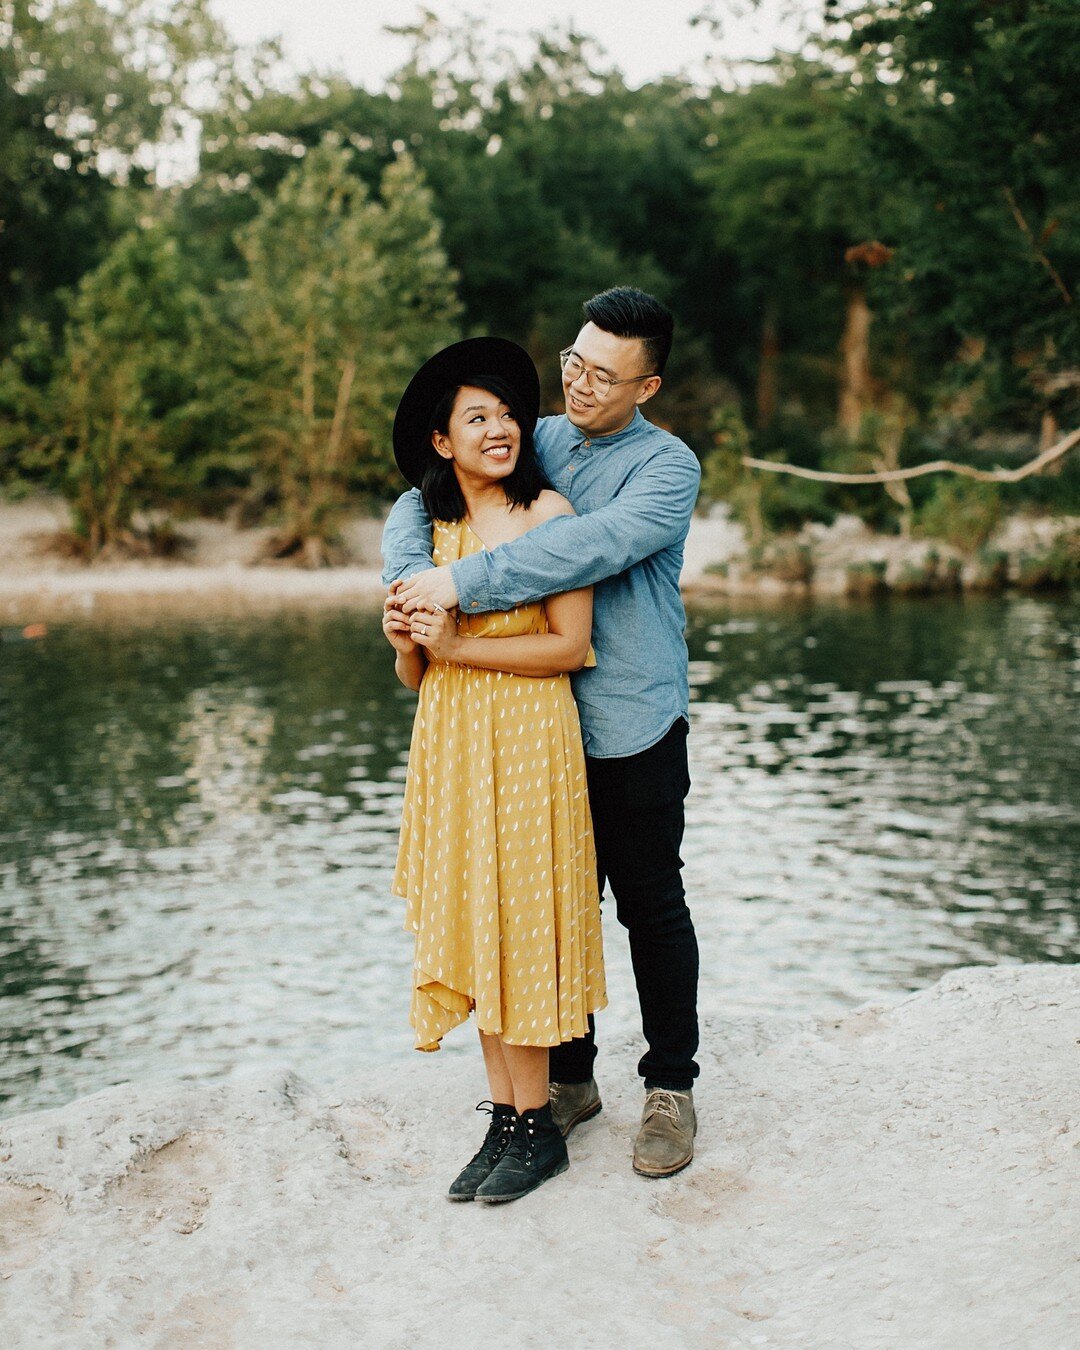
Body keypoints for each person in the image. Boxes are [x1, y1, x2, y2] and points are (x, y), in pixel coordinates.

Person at [383, 287, 701, 1178]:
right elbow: (426, 497)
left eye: (606, 375)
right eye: (574, 362)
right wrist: (412, 579)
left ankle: (671, 1087)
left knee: (651, 907)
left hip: (630, 719)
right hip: (527, 735)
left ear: (649, 386)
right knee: (548, 910)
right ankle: (567, 1080)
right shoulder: (538, 437)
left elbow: (583, 551)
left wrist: (461, 587)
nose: (581, 384)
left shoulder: (666, 470)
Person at [383, 336, 607, 1204]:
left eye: (508, 413)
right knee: (478, 919)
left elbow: (571, 645)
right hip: (451, 742)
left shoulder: (552, 517)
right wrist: (412, 643)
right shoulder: (432, 535)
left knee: (523, 920)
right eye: (478, 417)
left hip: (527, 737)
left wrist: (463, 644)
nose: (501, 428)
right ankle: (507, 1115)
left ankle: (539, 1122)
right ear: (443, 441)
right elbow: (415, 674)